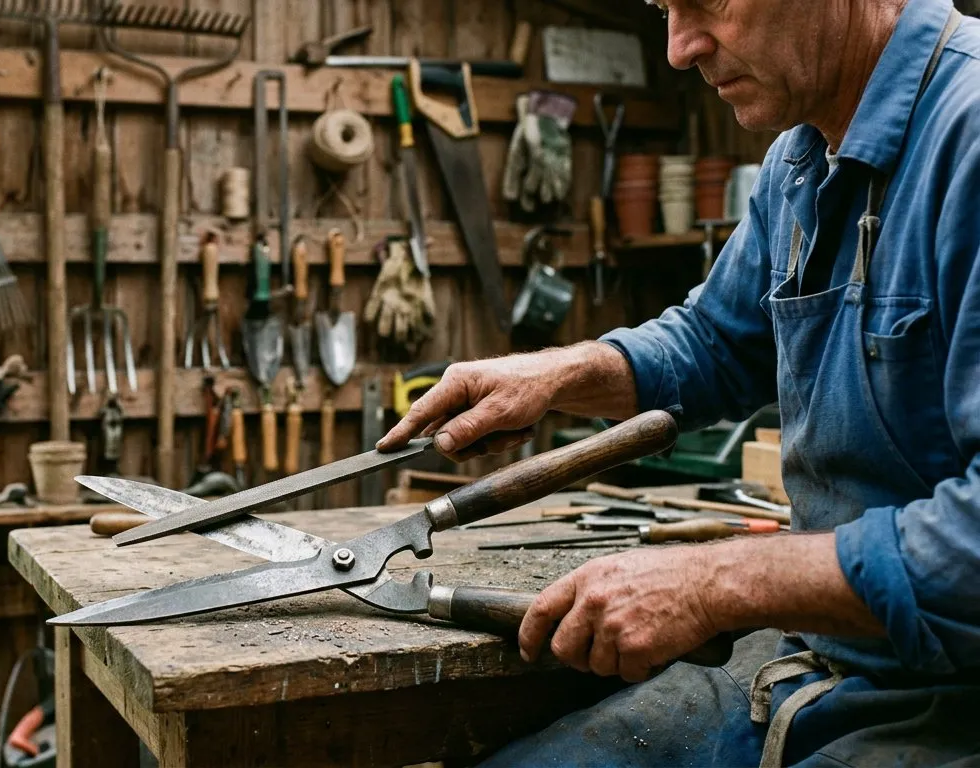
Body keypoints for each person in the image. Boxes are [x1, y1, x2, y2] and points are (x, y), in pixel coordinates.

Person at [377, 0, 980, 764]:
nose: (678, 48)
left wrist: (716, 580)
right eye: (666, 7)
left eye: (706, 1)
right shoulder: (802, 158)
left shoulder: (969, 131)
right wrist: (562, 371)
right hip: (822, 665)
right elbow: (715, 344)